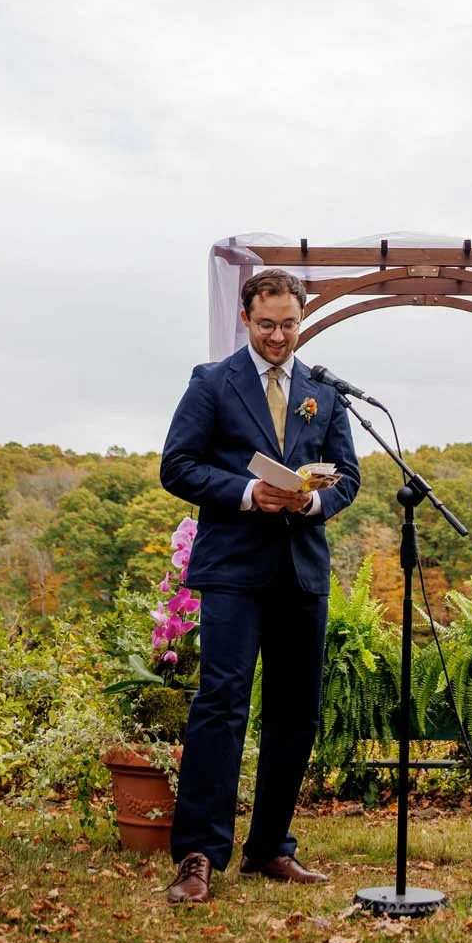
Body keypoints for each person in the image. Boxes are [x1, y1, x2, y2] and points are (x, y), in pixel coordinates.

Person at [159, 268, 361, 904]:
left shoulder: (323, 391)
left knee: (296, 711)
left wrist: (311, 501)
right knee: (221, 704)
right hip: (232, 569)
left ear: (303, 320)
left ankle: (270, 845)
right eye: (267, 324)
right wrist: (248, 493)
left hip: (302, 570)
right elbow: (177, 466)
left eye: (289, 324)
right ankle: (199, 853)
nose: (278, 336)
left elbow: (349, 477)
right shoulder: (211, 382)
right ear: (246, 318)